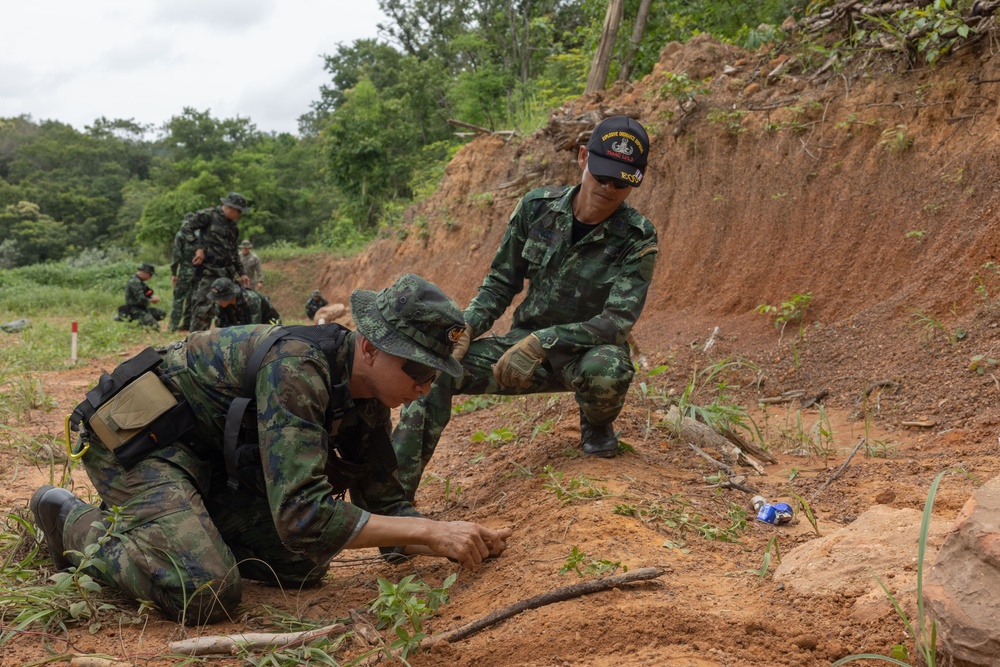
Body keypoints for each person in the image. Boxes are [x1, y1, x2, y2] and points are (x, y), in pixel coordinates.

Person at [30, 273, 512, 625]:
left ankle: (178, 527)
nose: (426, 387)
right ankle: (75, 522)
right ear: (370, 347)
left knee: (302, 565)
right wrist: (430, 530)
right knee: (208, 591)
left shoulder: (367, 400)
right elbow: (303, 516)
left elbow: (384, 509)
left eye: (434, 375)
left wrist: (449, 537)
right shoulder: (299, 368)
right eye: (418, 371)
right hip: (141, 445)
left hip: (209, 462)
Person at [392, 116, 658, 499]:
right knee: (436, 369)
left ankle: (597, 424)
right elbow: (501, 283)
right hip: (516, 353)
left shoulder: (638, 236)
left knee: (609, 371)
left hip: (585, 354)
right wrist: (464, 329)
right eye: (602, 176)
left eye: (622, 182)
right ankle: (395, 501)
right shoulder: (537, 209)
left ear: (638, 179)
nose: (609, 188)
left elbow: (617, 321)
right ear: (583, 157)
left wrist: (544, 341)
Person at [180, 192, 251, 332]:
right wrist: (198, 247)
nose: (239, 215)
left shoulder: (233, 227)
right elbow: (186, 227)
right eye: (239, 211)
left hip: (227, 272)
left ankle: (225, 344)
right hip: (208, 271)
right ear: (230, 207)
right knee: (202, 310)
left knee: (230, 310)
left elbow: (233, 252)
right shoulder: (208, 215)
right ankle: (195, 347)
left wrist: (241, 272)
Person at [209, 277, 282, 328]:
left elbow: (255, 329)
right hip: (244, 326)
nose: (217, 301)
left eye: (220, 298)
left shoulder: (251, 300)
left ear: (230, 295)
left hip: (267, 324)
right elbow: (219, 329)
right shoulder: (219, 305)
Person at [117, 262, 166, 328]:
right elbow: (141, 299)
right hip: (134, 309)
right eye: (150, 275)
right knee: (155, 327)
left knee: (161, 314)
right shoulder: (134, 281)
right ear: (145, 272)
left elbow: (146, 293)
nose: (150, 278)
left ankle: (142, 323)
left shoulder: (140, 281)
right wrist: (152, 300)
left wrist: (151, 297)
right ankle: (137, 325)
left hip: (142, 308)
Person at [168, 231, 196, 332]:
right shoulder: (201, 234)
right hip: (199, 271)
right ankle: (189, 325)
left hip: (185, 271)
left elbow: (176, 256)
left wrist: (174, 273)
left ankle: (173, 327)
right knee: (193, 298)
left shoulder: (181, 234)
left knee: (178, 298)